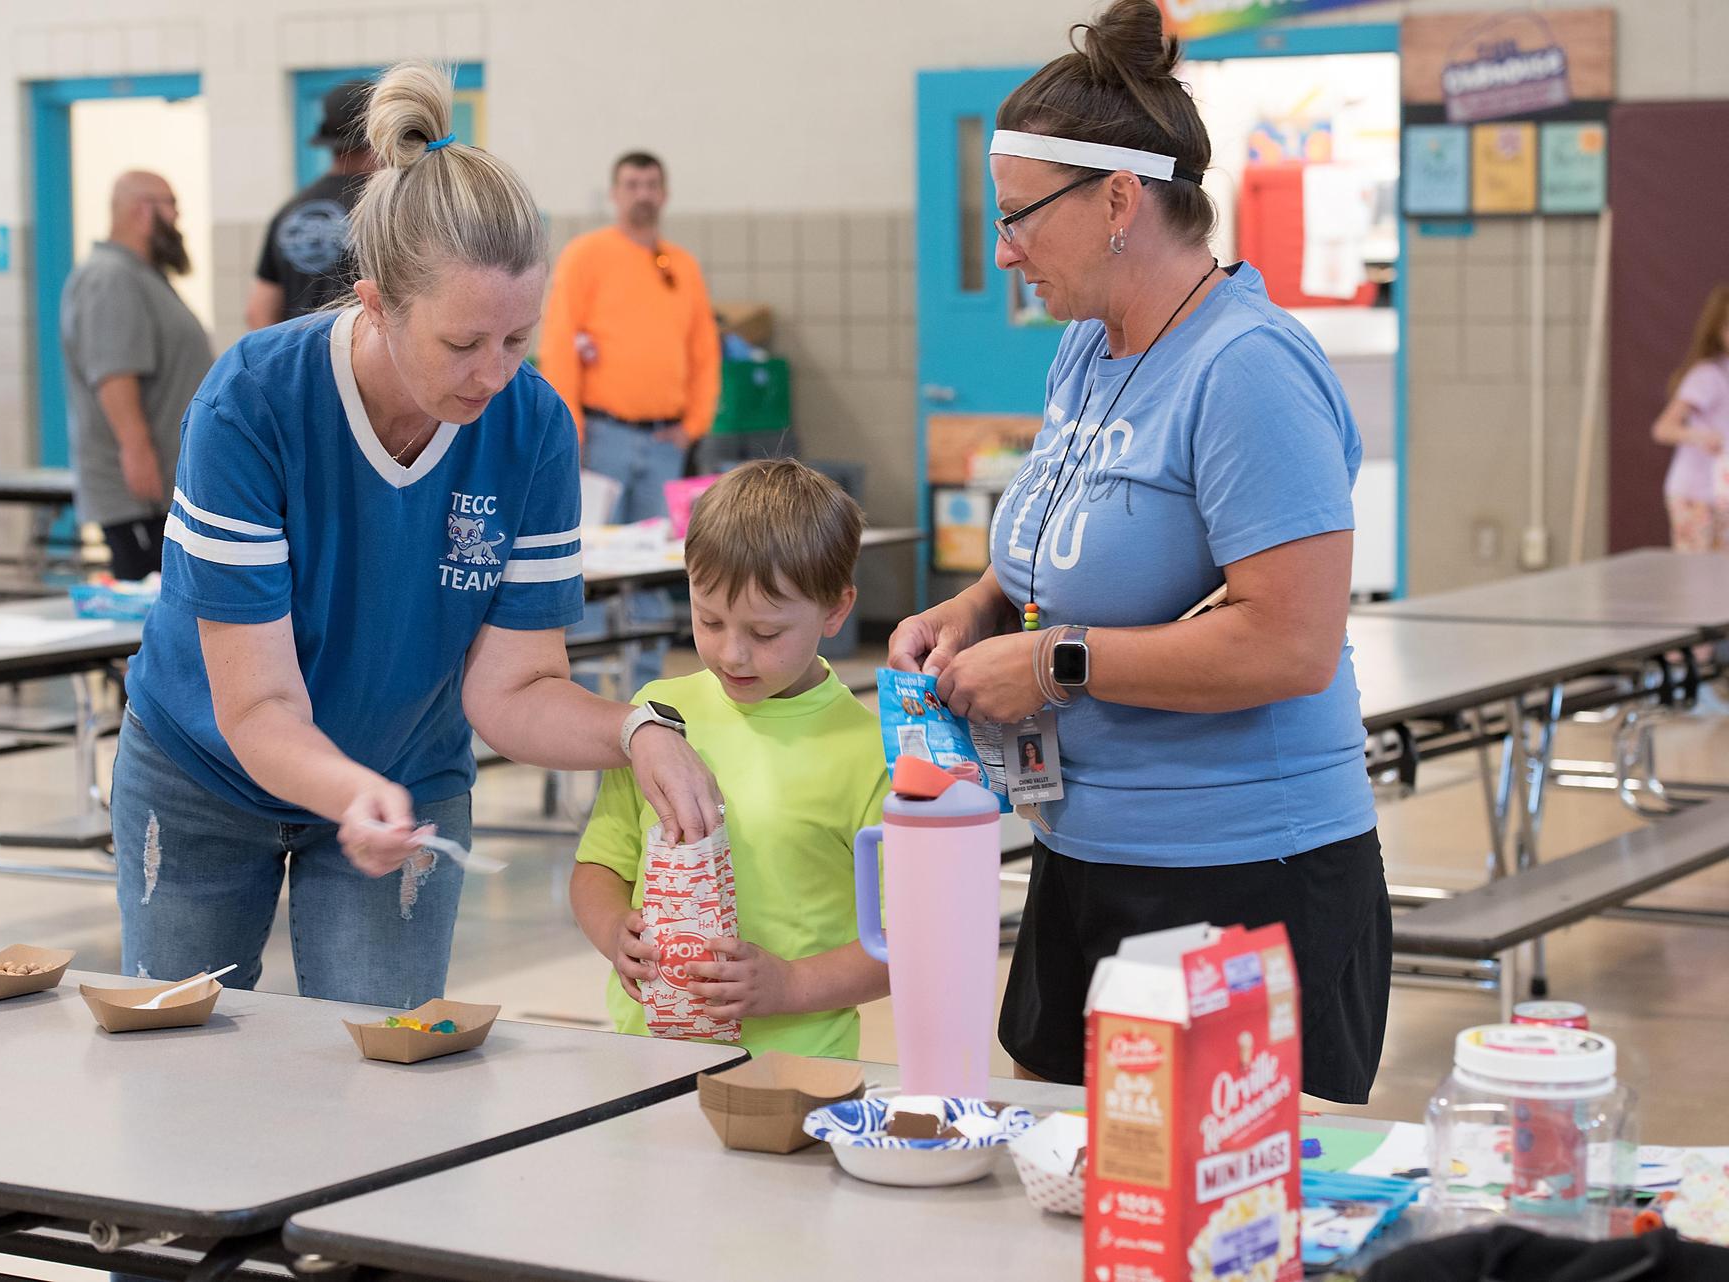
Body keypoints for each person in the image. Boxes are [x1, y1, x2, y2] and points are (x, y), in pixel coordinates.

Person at [112, 62, 721, 1009]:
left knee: (382, 1057)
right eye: (462, 344)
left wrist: (634, 730)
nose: (493, 375)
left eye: (517, 340)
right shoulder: (253, 403)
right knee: (181, 1049)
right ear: (376, 304)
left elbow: (514, 689)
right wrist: (343, 788)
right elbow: (259, 706)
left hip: (407, 775)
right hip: (206, 770)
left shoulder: (533, 427)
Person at [888, 0, 1385, 1104]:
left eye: (1020, 216)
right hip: (1088, 846)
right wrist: (978, 607)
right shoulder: (1088, 348)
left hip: (1244, 869)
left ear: (1119, 200)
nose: (1004, 249)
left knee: (1207, 1193)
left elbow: (1292, 643)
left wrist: (1052, 662)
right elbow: (1079, 546)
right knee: (1057, 1168)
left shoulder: (1247, 369)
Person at [571, 460, 890, 1057]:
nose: (732, 654)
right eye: (709, 620)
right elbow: (601, 866)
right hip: (648, 1054)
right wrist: (614, 930)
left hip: (797, 1066)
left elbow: (909, 943)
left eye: (765, 634)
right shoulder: (656, 719)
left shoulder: (870, 753)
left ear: (835, 610)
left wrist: (791, 984)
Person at [538, 151, 721, 693]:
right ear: (615, 194)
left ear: (664, 193)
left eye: (651, 184)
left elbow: (704, 350)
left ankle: (646, 688)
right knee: (590, 564)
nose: (642, 193)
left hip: (665, 441)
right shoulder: (587, 256)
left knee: (656, 568)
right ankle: (583, 688)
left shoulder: (680, 265)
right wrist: (569, 430)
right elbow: (560, 342)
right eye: (632, 184)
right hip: (602, 438)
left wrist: (694, 424)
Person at [60, 171, 213, 581]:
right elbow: (114, 373)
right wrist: (137, 451)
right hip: (137, 493)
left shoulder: (141, 275)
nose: (177, 218)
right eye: (171, 206)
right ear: (143, 210)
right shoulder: (110, 277)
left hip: (159, 483)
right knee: (147, 597)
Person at [246, 80, 380, 328]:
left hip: (299, 349)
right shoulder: (387, 208)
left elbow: (258, 311)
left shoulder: (289, 212)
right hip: (362, 350)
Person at [1651, 284, 1729, 552]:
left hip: (1722, 495)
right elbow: (1663, 428)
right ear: (1718, 331)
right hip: (1696, 494)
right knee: (1697, 570)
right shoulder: (1708, 375)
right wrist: (1700, 437)